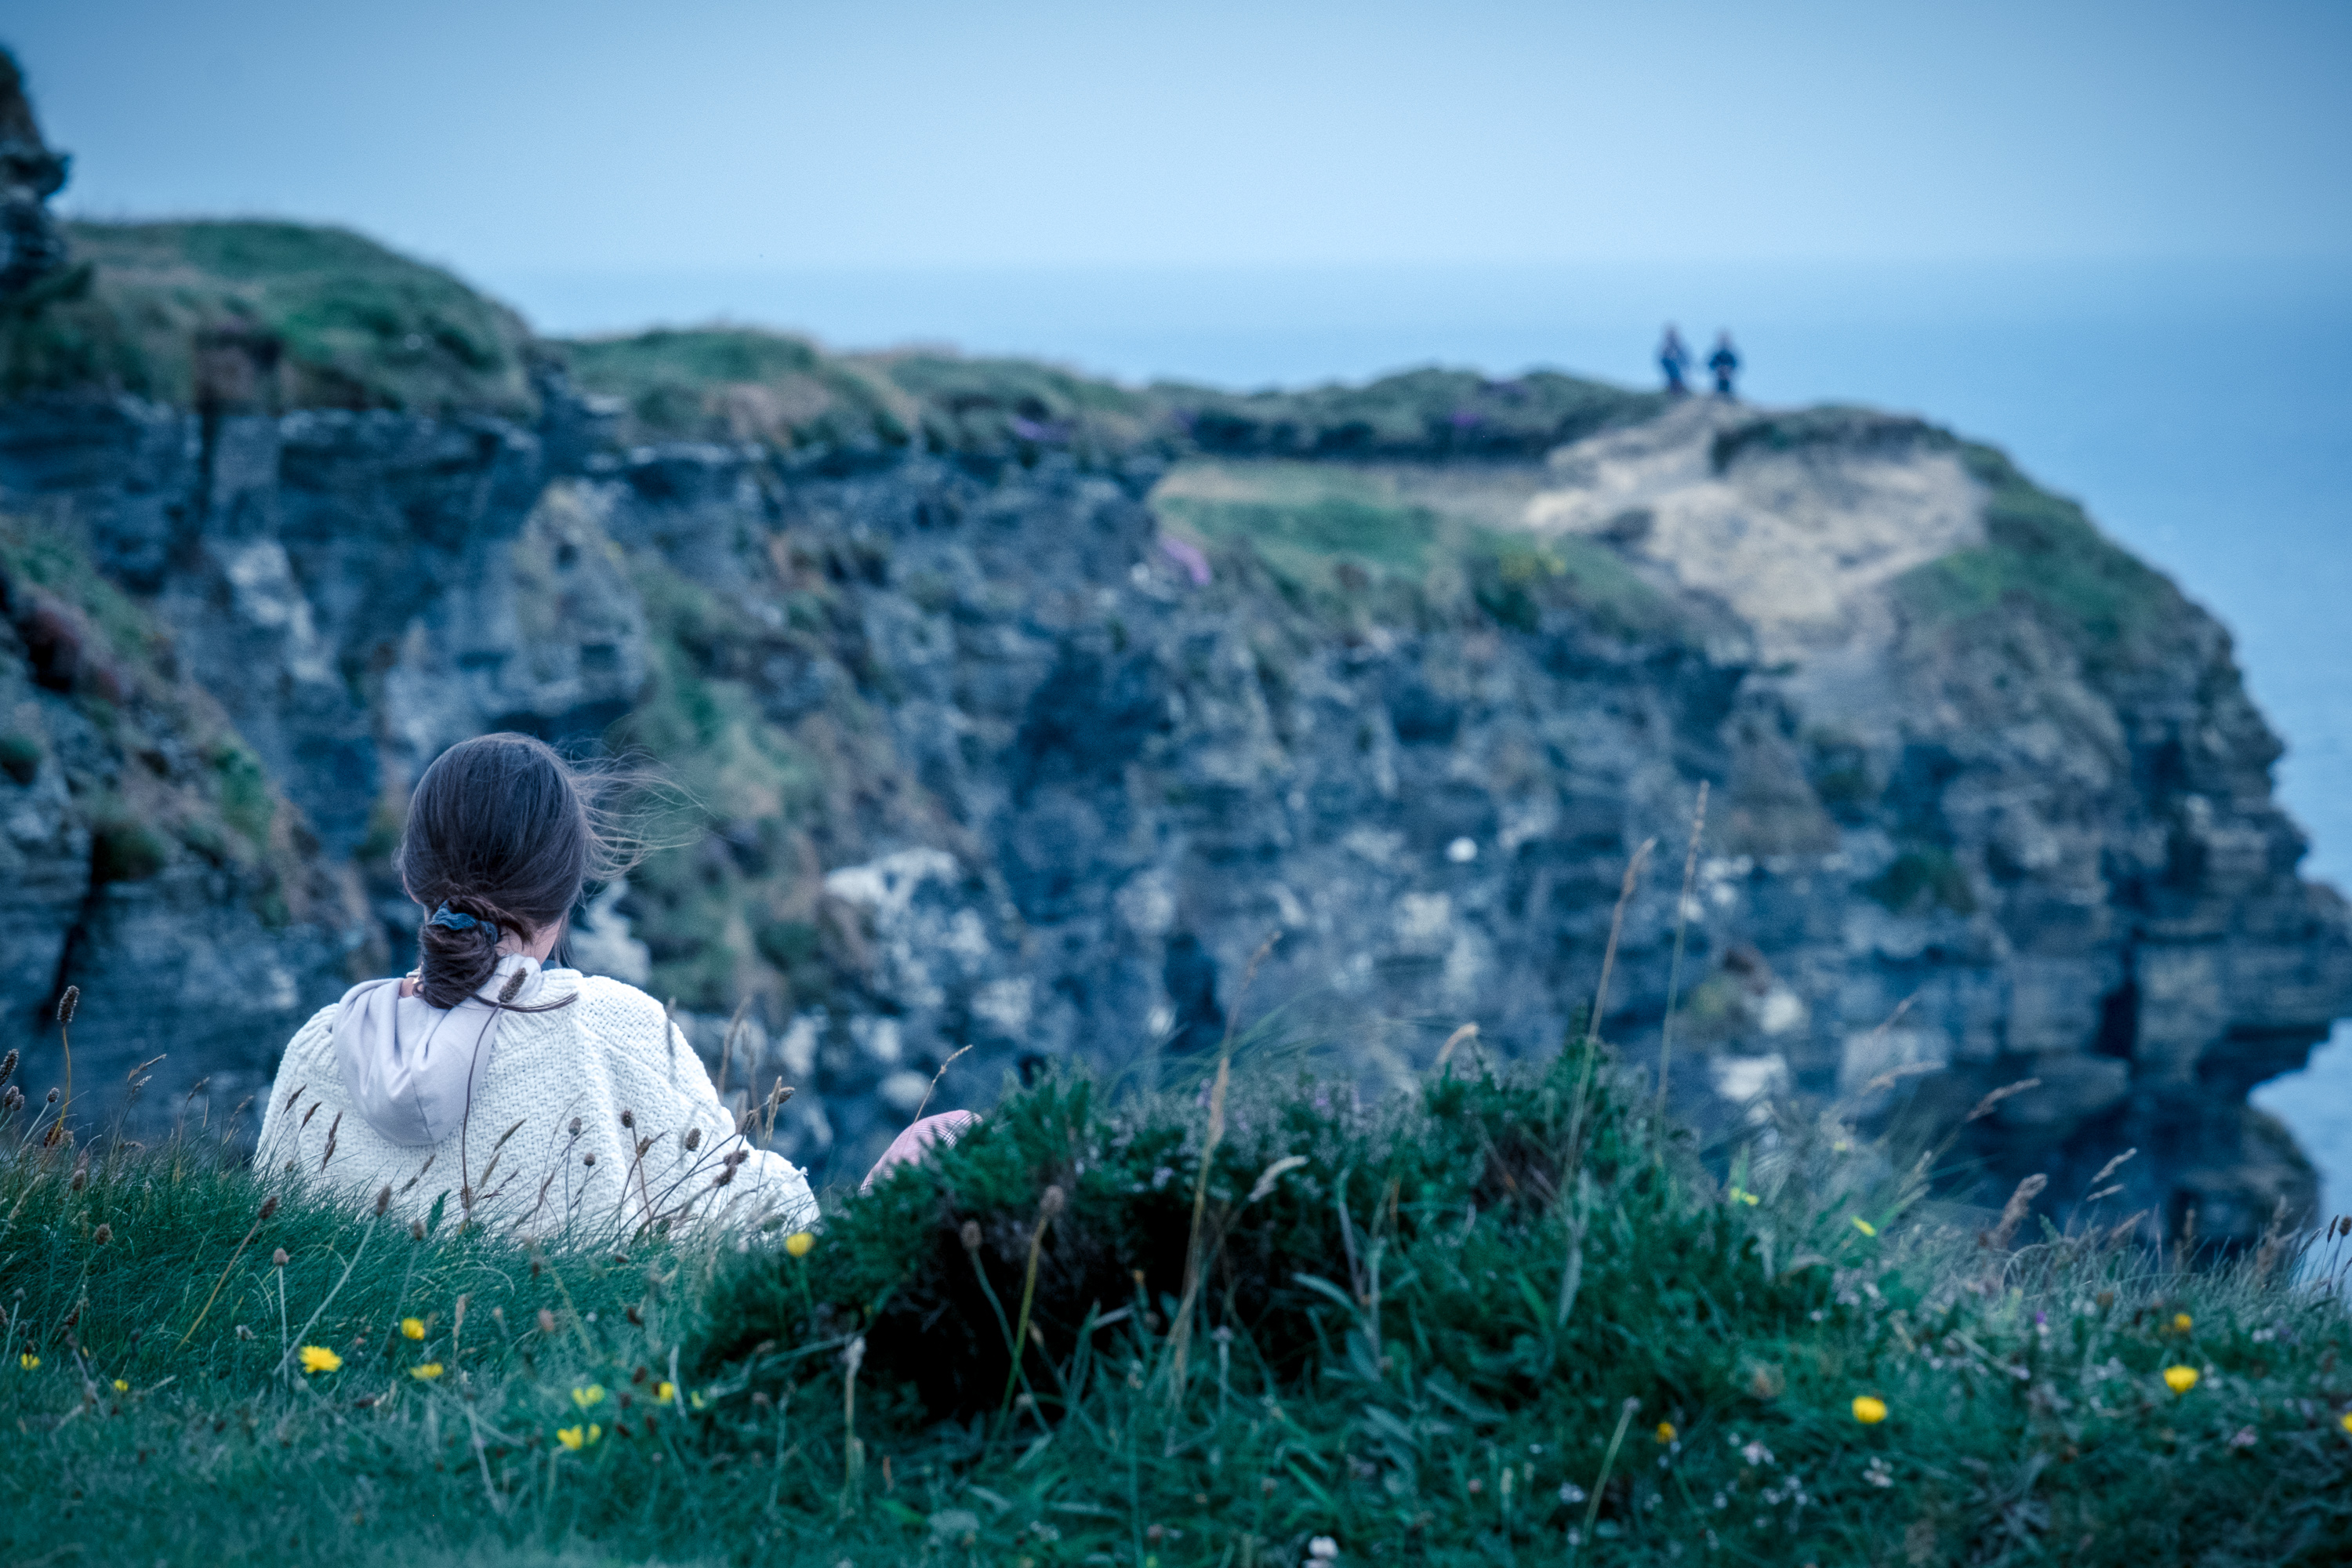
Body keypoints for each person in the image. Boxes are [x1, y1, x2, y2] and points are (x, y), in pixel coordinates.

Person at [256, 733, 820, 1240]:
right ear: (567, 890)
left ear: (409, 878)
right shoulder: (607, 1027)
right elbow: (750, 1211)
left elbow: (259, 1260)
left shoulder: (318, 1052)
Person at [1657, 325, 1691, 396]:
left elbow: (1685, 359)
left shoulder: (1678, 346)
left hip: (1678, 373)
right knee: (1673, 385)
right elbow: (1663, 361)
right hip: (1672, 374)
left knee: (1678, 385)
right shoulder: (1666, 348)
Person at [1708, 332, 1740, 399]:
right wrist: (1719, 369)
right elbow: (1711, 365)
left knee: (1728, 394)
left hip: (1727, 380)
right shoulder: (1717, 355)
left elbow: (1735, 365)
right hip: (1719, 380)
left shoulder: (1730, 356)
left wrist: (1728, 370)